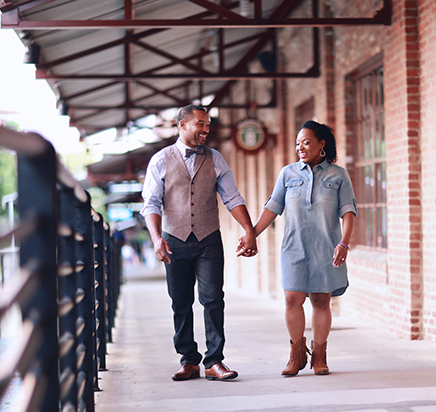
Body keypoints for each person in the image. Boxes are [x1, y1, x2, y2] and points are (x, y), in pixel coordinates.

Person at [141, 104, 257, 382]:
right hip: (173, 240)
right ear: (182, 126)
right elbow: (151, 204)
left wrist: (248, 229)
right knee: (181, 301)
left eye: (208, 125)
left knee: (213, 299)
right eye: (200, 124)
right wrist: (157, 239)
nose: (206, 129)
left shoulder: (215, 159)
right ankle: (189, 361)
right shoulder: (161, 159)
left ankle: (214, 361)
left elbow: (232, 197)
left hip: (208, 239)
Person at [240, 120, 356, 376]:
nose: (300, 148)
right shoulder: (288, 174)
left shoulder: (338, 175)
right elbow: (272, 207)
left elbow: (348, 211)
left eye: (306, 142)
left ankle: (319, 356)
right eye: (297, 144)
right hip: (293, 247)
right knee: (292, 299)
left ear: (321, 144)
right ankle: (296, 355)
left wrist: (344, 242)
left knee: (320, 300)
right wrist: (252, 234)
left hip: (326, 247)